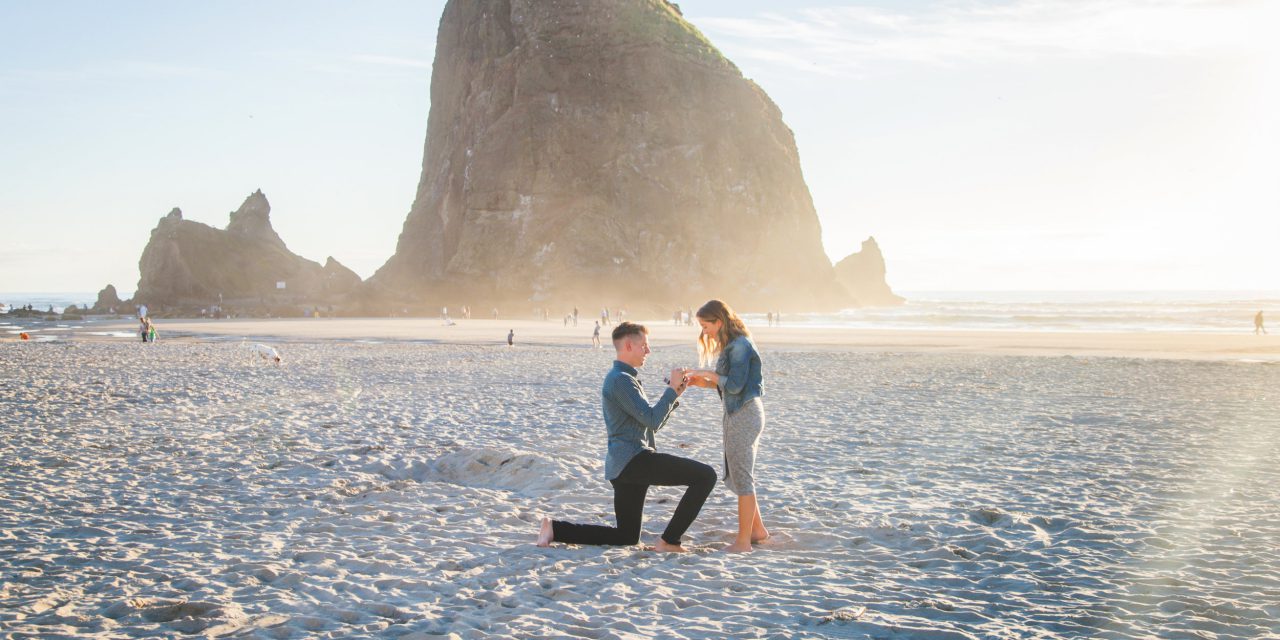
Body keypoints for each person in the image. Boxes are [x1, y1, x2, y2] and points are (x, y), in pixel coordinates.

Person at [537, 322, 715, 552]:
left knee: (626, 537)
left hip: (625, 465)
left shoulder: (624, 378)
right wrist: (670, 390)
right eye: (644, 346)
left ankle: (555, 529)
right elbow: (651, 419)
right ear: (629, 345)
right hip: (633, 461)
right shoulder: (620, 379)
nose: (648, 351)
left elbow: (652, 424)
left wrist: (675, 393)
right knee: (705, 476)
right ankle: (669, 541)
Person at [685, 299, 769, 553]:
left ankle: (743, 542)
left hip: (744, 414)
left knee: (743, 477)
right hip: (737, 413)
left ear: (719, 321)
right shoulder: (732, 345)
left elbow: (734, 385)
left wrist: (708, 373)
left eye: (705, 325)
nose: (704, 331)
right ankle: (757, 530)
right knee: (740, 473)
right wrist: (700, 382)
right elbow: (725, 384)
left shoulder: (740, 346)